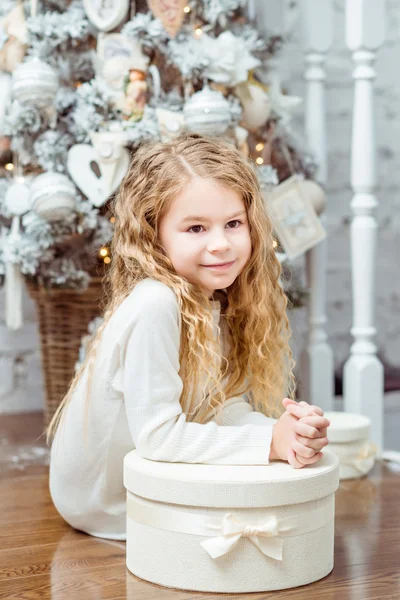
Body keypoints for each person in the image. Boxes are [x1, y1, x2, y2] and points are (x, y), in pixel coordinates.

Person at [47, 133, 330, 540]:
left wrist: (283, 433)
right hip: (106, 501)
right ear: (154, 234)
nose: (220, 244)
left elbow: (221, 403)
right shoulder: (155, 304)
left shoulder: (217, 296)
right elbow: (159, 438)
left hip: (148, 475)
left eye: (233, 223)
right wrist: (267, 442)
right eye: (196, 228)